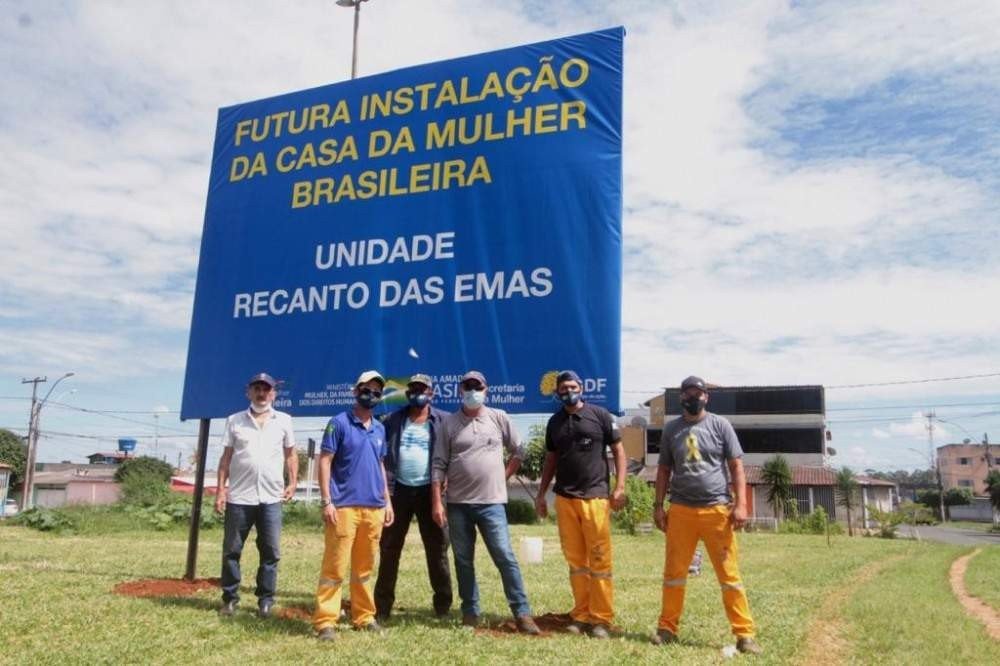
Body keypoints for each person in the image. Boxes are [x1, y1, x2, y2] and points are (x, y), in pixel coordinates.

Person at [651, 376, 762, 655]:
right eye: (688, 393)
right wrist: (657, 505)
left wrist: (741, 505)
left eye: (698, 393)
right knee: (674, 574)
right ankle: (667, 628)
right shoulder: (671, 429)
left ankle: (745, 635)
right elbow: (663, 470)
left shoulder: (720, 425)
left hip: (717, 511)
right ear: (681, 397)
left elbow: (736, 467)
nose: (693, 397)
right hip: (681, 511)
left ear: (706, 397)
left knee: (729, 575)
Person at [430, 370, 541, 634]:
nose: (472, 391)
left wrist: (504, 476)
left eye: (476, 386)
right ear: (460, 391)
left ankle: (522, 613)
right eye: (467, 386)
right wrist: (437, 501)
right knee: (463, 560)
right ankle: (470, 612)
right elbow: (438, 464)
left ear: (486, 390)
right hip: (457, 504)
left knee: (504, 556)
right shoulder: (449, 423)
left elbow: (520, 449)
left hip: (492, 503)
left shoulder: (498, 417)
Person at [534, 370, 627, 639]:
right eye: (563, 388)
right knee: (576, 562)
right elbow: (550, 461)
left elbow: (619, 452)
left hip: (595, 498)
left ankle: (601, 619)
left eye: (572, 386)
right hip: (565, 499)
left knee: (599, 560)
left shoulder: (601, 416)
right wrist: (542, 495)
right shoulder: (554, 423)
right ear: (557, 393)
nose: (568, 392)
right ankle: (581, 614)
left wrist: (619, 487)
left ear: (582, 387)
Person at [314, 371, 395, 641]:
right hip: (343, 507)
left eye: (376, 392)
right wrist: (327, 500)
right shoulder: (338, 423)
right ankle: (327, 621)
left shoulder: (380, 428)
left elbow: (381, 466)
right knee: (334, 568)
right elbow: (325, 461)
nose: (371, 395)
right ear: (354, 391)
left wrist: (387, 501)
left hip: (374, 508)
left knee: (364, 568)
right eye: (366, 390)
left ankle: (364, 616)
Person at [215, 372, 297, 619]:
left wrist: (293, 482)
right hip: (239, 497)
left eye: (266, 389)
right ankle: (230, 599)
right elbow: (226, 458)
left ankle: (265, 600)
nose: (262, 393)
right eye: (257, 389)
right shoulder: (234, 421)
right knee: (231, 550)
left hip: (271, 497)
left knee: (270, 552)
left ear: (274, 393)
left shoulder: (284, 420)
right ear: (248, 392)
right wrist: (220, 489)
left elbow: (291, 454)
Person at [374, 373, 453, 622]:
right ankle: (382, 607)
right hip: (398, 492)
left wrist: (445, 482)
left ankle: (442, 606)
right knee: (389, 548)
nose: (417, 393)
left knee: (438, 547)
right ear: (407, 393)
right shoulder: (392, 420)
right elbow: (380, 453)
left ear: (432, 394)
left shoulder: (444, 421)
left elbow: (452, 453)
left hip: (432, 492)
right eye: (413, 389)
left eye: (423, 389)